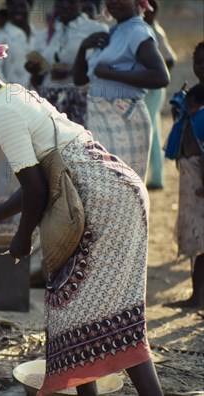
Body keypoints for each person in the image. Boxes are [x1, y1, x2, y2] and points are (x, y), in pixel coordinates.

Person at [0, 1, 163, 395]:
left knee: (103, 318)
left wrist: (22, 240)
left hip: (104, 204)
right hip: (111, 193)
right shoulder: (12, 96)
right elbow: (35, 181)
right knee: (85, 318)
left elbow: (38, 189)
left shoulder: (1, 113)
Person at [74, 0, 169, 181]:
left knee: (122, 190)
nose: (114, 2)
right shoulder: (115, 32)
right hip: (101, 120)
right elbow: (81, 80)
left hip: (124, 121)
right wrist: (83, 48)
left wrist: (112, 74)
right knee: (106, 189)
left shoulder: (137, 31)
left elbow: (161, 77)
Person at [163, 44, 204, 308]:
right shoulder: (194, 94)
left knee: (200, 237)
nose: (201, 67)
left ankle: (197, 298)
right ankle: (196, 296)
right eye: (198, 62)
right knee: (195, 237)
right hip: (191, 174)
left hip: (200, 177)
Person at [26, 0, 108, 126]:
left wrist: (71, 70)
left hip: (79, 102)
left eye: (71, 2)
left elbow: (100, 68)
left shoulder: (96, 29)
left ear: (81, 3)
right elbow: (40, 77)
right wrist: (35, 70)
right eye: (60, 2)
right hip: (50, 100)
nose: (65, 6)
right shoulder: (50, 33)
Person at [143, 0, 177, 189]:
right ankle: (155, 177)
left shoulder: (155, 31)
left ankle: (156, 178)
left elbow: (171, 58)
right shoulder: (141, 29)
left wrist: (156, 72)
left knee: (150, 130)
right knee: (151, 128)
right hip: (146, 88)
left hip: (154, 90)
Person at [0, 0, 38, 88]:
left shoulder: (38, 35)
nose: (17, 10)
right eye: (12, 6)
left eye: (22, 6)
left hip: (37, 97)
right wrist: (7, 91)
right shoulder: (2, 37)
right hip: (13, 97)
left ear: (30, 6)